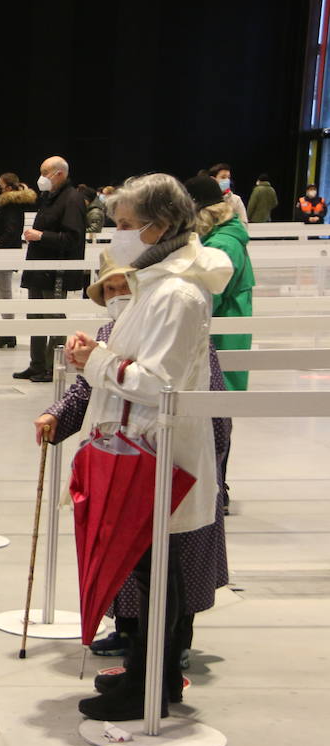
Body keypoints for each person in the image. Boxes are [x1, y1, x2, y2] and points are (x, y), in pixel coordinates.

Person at [49, 173, 232, 720]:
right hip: (137, 443)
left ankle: (152, 683)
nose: (118, 235)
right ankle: (147, 673)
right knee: (151, 567)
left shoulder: (177, 294)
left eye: (127, 225)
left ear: (161, 226)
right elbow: (129, 353)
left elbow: (158, 382)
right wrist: (96, 354)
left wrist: (96, 364)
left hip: (158, 449)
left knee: (159, 570)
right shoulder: (153, 284)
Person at [189, 174, 254, 516]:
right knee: (214, 415)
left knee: (216, 418)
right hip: (219, 334)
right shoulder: (222, 237)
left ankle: (218, 489)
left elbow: (210, 293)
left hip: (221, 337)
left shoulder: (224, 244)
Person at [17, 155, 86, 383]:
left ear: (60, 174)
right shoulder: (49, 198)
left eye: (45, 173)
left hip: (57, 271)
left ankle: (51, 367)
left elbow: (72, 238)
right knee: (35, 316)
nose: (42, 178)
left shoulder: (72, 199)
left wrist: (41, 236)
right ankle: (36, 364)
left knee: (53, 316)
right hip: (38, 268)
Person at [0, 173, 36, 348]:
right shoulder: (6, 203)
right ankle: (7, 331)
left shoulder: (12, 205)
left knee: (3, 292)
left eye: (0, 184)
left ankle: (8, 333)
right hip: (0, 253)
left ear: (8, 187)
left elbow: (11, 231)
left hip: (4, 254)